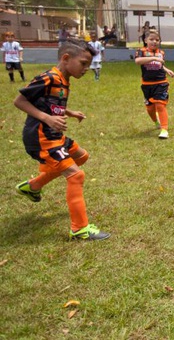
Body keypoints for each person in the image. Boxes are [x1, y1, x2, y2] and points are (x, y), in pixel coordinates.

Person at [13, 38, 110, 241]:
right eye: (83, 63)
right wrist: (47, 118)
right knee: (76, 175)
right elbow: (20, 101)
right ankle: (79, 229)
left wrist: (70, 112)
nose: (86, 69)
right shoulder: (49, 77)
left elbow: (47, 102)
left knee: (81, 156)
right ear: (66, 58)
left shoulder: (63, 80)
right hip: (41, 138)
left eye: (88, 65)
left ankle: (32, 186)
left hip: (54, 136)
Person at [134, 29, 174, 139]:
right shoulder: (141, 51)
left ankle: (164, 129)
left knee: (160, 104)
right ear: (145, 40)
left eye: (157, 40)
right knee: (150, 108)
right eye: (151, 39)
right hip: (147, 84)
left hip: (161, 82)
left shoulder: (161, 53)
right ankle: (155, 121)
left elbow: (159, 64)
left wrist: (166, 70)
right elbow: (138, 61)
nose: (154, 42)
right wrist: (153, 58)